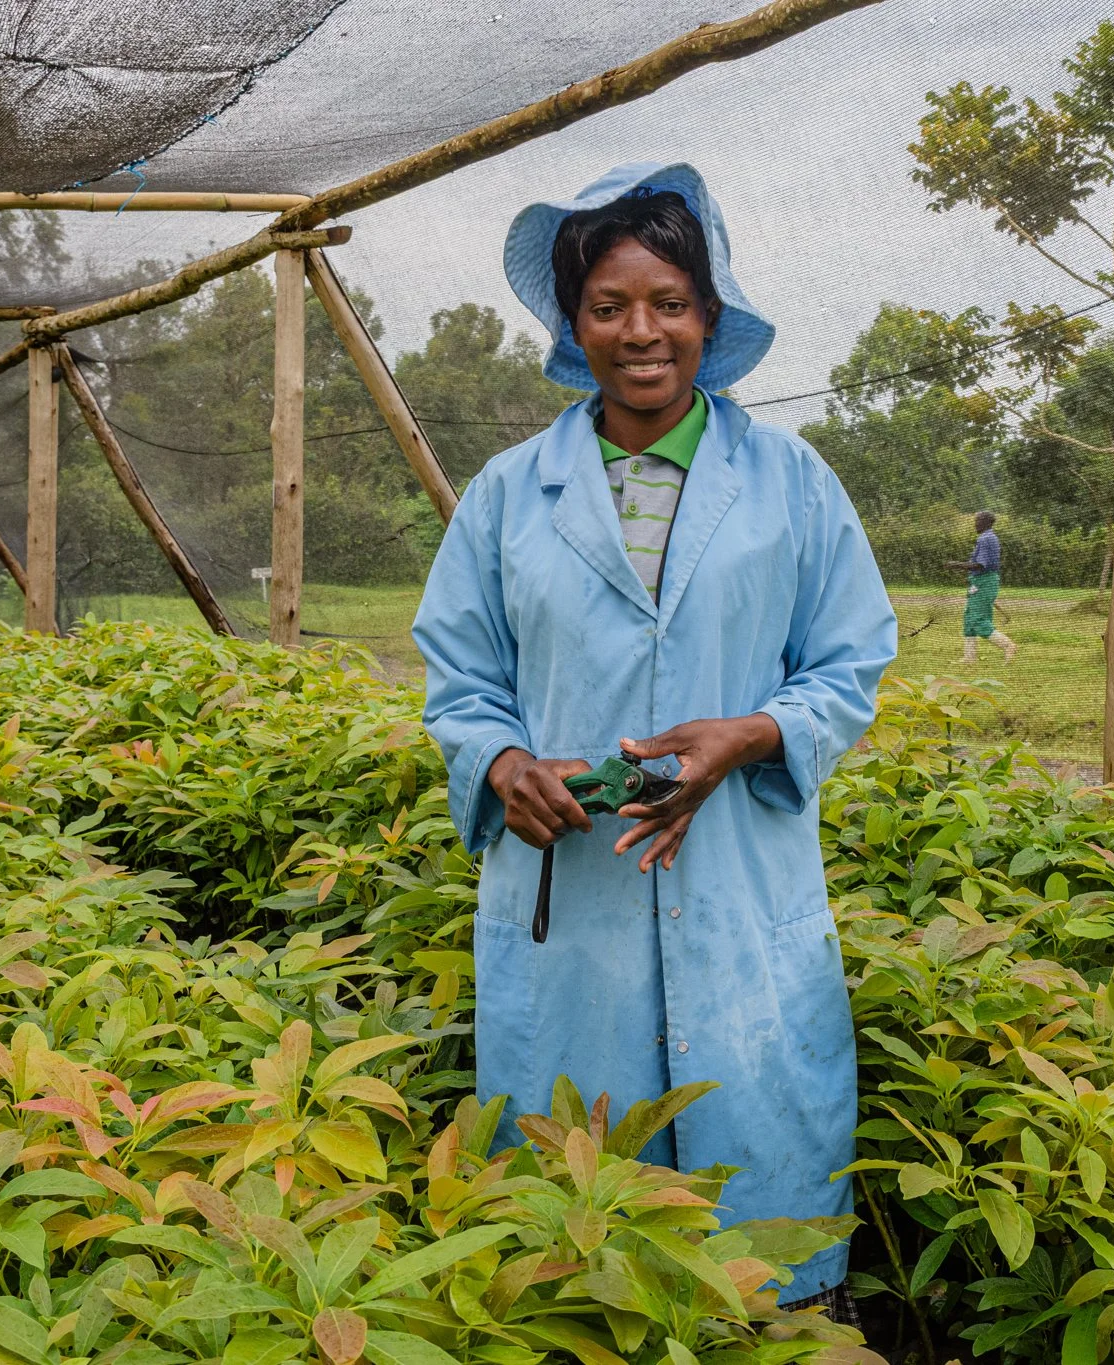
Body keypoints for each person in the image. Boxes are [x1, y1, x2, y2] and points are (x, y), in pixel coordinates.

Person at [411, 163, 896, 1311]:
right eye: (609, 305)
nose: (642, 332)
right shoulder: (503, 495)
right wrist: (500, 763)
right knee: (578, 1236)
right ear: (571, 326)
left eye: (670, 302)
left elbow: (849, 658)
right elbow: (462, 679)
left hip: (739, 887)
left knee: (757, 1241)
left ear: (710, 314)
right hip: (563, 897)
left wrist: (757, 732)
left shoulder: (789, 482)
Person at [947, 510, 1017, 665]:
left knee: (978, 620)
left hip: (984, 582)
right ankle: (969, 658)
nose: (975, 524)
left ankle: (1008, 645)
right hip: (980, 582)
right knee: (968, 618)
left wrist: (956, 565)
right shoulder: (987, 537)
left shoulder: (986, 539)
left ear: (986, 522)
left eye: (977, 521)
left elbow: (980, 564)